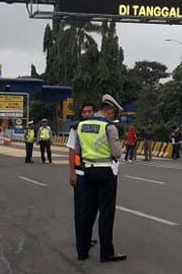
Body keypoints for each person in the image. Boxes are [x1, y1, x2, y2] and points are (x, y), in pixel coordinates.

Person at [76, 94, 126, 263]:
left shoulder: (81, 125)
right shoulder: (109, 127)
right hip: (105, 172)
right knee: (106, 213)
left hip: (87, 171)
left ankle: (82, 251)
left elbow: (77, 150)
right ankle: (106, 253)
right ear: (109, 111)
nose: (113, 117)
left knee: (87, 212)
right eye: (114, 114)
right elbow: (117, 153)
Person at [66, 102, 97, 257]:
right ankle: (81, 246)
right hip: (81, 174)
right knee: (81, 211)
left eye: (89, 111)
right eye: (84, 112)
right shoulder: (76, 128)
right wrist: (72, 172)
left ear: (94, 112)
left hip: (96, 175)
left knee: (92, 210)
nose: (87, 114)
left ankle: (87, 238)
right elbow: (71, 151)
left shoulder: (100, 128)